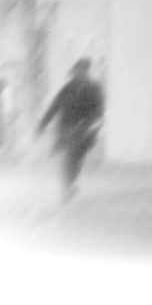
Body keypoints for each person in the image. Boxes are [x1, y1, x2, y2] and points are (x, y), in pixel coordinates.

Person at [38, 59, 106, 200]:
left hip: (83, 129)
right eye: (77, 71)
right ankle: (67, 186)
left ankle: (70, 183)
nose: (78, 74)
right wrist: (43, 123)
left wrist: (90, 124)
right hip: (66, 127)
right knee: (68, 158)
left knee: (76, 159)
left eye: (82, 71)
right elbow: (55, 106)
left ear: (87, 72)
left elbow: (98, 110)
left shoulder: (94, 88)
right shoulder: (67, 88)